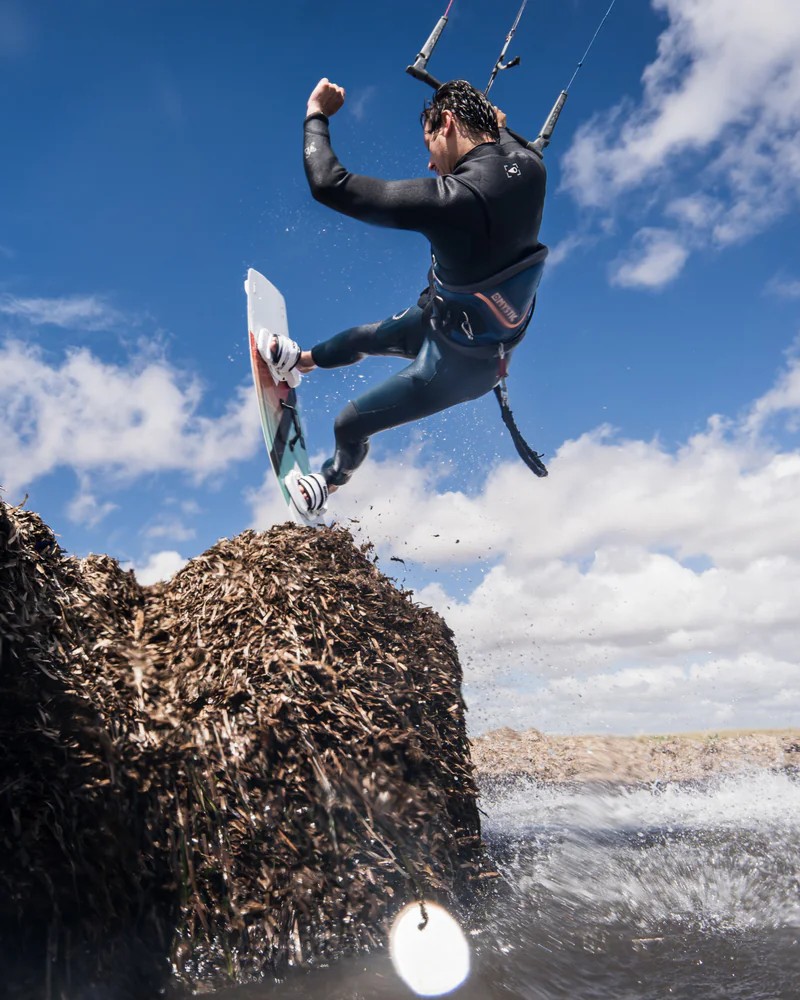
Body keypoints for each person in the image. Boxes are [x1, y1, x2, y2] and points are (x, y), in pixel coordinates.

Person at [264, 76, 548, 516]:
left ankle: (330, 480)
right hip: (442, 317)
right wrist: (496, 123)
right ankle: (298, 362)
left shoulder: (455, 199)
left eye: (429, 142)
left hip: (464, 365)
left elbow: (329, 184)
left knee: (350, 423)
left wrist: (315, 113)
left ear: (448, 123)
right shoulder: (531, 165)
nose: (431, 165)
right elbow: (501, 129)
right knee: (362, 337)